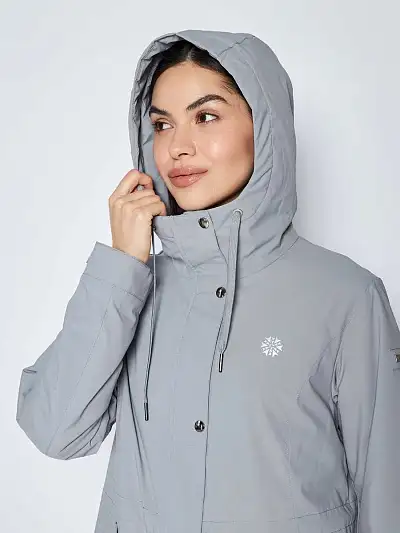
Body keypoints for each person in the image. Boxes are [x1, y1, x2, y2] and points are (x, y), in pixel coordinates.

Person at [16, 29, 400, 533]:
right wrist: (121, 266)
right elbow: (55, 432)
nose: (178, 147)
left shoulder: (348, 296)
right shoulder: (129, 288)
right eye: (162, 124)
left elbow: (387, 494)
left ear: (263, 126)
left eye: (206, 117)